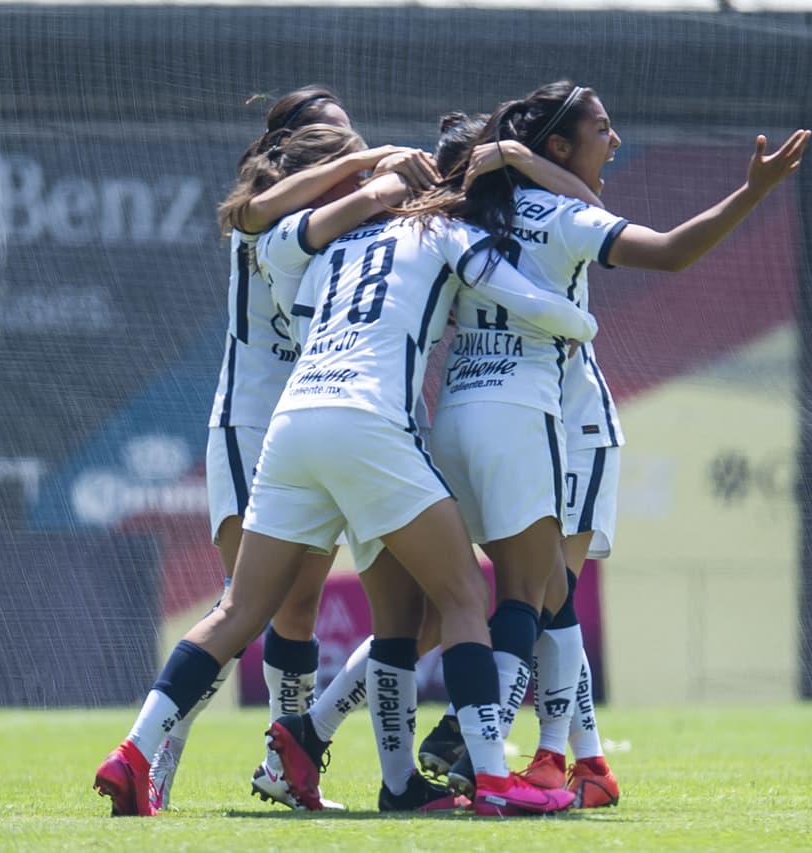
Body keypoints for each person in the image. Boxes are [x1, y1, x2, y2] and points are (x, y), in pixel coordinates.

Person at [91, 111, 593, 817]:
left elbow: (275, 239)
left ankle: (135, 750)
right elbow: (542, 307)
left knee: (241, 607)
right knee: (463, 599)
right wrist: (582, 323)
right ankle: (489, 776)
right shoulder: (451, 233)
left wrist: (370, 190)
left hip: (295, 428)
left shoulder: (321, 245)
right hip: (369, 425)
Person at [414, 80, 809, 801]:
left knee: (469, 600)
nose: (616, 140)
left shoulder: (457, 213)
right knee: (537, 598)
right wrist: (751, 194)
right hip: (547, 415)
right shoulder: (566, 215)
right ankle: (503, 754)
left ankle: (570, 758)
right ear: (558, 147)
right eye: (602, 128)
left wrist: (512, 159)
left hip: (449, 414)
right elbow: (666, 249)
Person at [252, 112, 613, 812]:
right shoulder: (456, 233)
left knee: (412, 618)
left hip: (332, 422)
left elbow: (260, 231)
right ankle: (523, 766)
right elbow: (586, 242)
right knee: (515, 596)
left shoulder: (338, 243)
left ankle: (326, 741)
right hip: (403, 428)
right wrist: (583, 324)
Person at [151, 86, 439, 813]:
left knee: (320, 609)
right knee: (247, 603)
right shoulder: (266, 216)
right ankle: (156, 757)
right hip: (253, 424)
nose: (352, 146)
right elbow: (254, 211)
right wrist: (375, 162)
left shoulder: (348, 216)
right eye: (336, 138)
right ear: (295, 152)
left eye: (356, 133)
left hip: (332, 424)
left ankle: (291, 753)